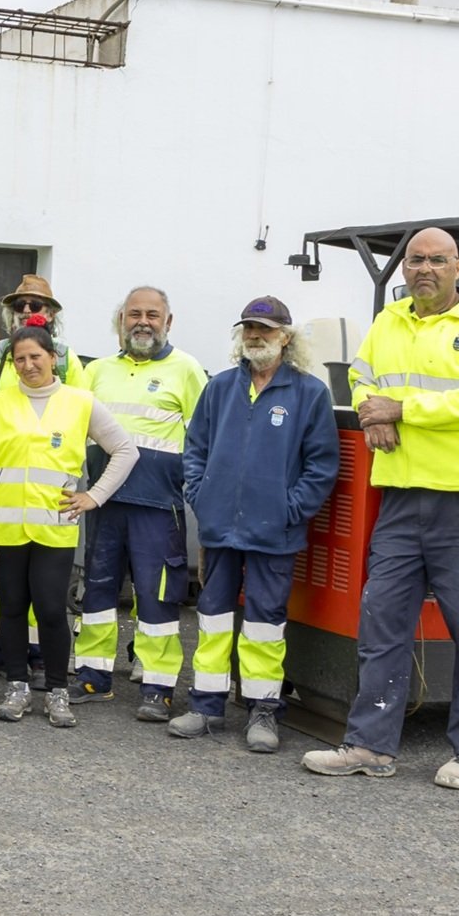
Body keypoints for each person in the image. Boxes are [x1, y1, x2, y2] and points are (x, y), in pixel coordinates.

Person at [302, 227, 459, 788]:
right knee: (381, 624)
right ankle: (370, 746)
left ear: (458, 267)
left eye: (437, 260)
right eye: (416, 260)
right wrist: (371, 412)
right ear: (404, 268)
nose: (425, 269)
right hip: (400, 497)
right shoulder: (388, 321)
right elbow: (360, 378)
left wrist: (399, 410)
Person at [176, 298, 339, 752]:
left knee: (265, 623)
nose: (254, 336)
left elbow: (322, 466)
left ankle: (263, 710)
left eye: (264, 329)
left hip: (274, 530)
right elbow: (195, 448)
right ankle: (206, 705)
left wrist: (290, 510)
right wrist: (201, 497)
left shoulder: (309, 393)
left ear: (285, 337)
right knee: (212, 618)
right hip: (220, 527)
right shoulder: (220, 387)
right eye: (248, 328)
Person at [0, 318, 139, 726]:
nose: (28, 365)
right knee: (12, 608)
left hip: (54, 529)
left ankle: (57, 691)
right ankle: (16, 687)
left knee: (49, 609)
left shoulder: (80, 402)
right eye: (19, 359)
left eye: (36, 357)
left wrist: (94, 496)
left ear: (53, 358)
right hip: (4, 528)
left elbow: (125, 450)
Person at [76, 286, 207, 719]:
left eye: (153, 315)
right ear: (121, 320)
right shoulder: (97, 371)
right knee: (97, 590)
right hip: (103, 502)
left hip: (157, 506)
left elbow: (204, 437)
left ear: (168, 322)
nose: (143, 322)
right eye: (134, 314)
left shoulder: (186, 369)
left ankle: (158, 686)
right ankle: (92, 675)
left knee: (157, 598)